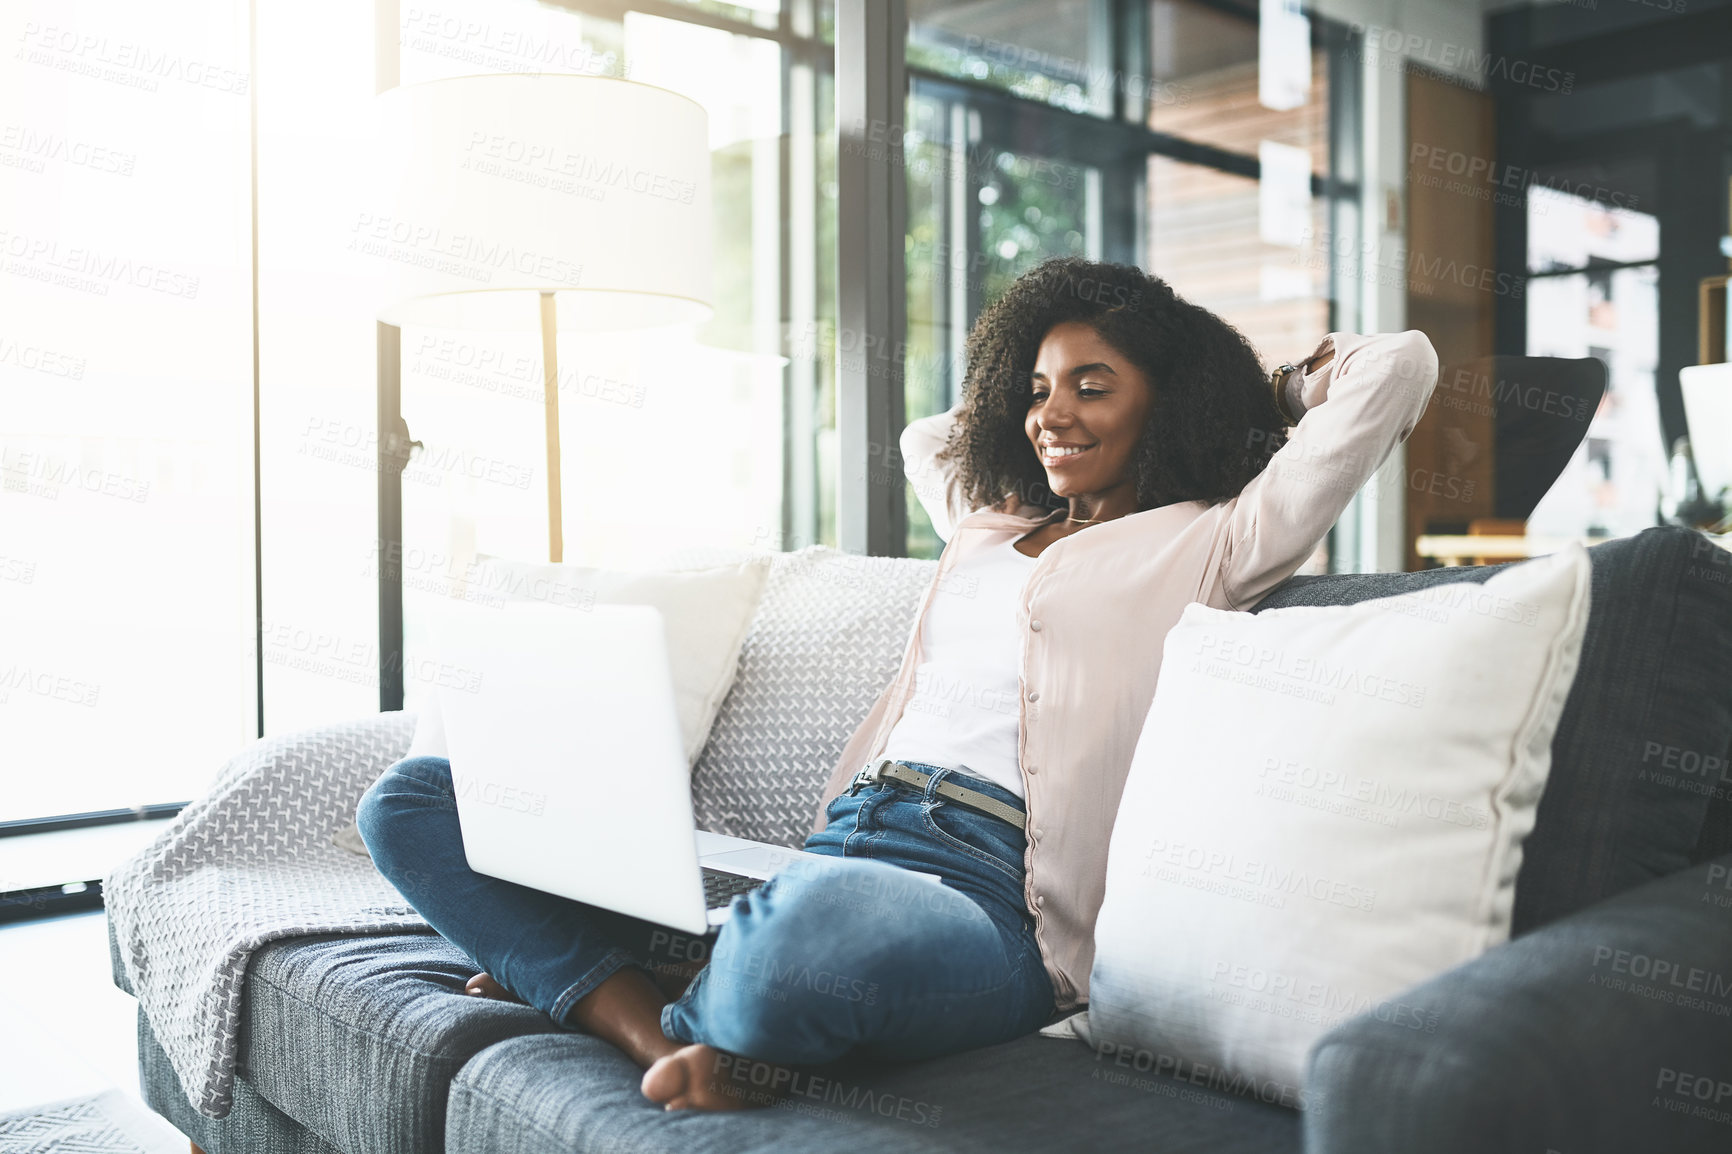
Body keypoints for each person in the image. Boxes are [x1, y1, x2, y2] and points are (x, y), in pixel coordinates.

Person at [357, 255, 1439, 1112]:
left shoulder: (1216, 541)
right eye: (1036, 388)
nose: (1049, 413)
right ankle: (662, 1020)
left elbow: (1397, 370)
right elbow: (938, 435)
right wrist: (1037, 401)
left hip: (990, 898)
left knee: (815, 932)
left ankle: (625, 978)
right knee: (411, 799)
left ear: (1171, 400)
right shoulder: (987, 527)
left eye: (1092, 386)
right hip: (834, 843)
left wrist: (1259, 391)